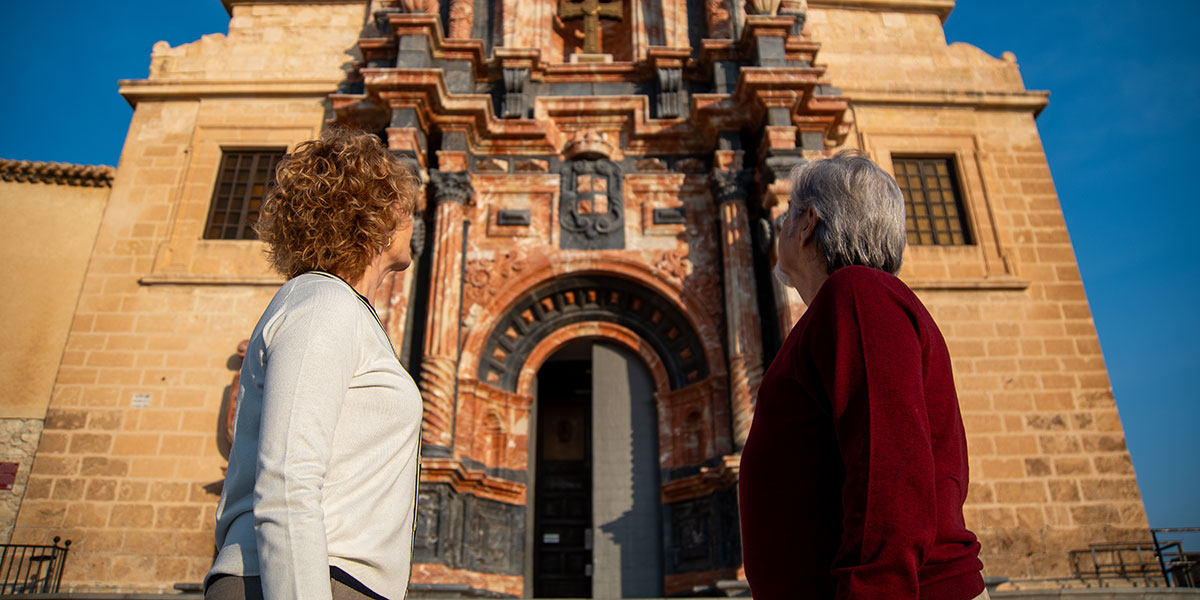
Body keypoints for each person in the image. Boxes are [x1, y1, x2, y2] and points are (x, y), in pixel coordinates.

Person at [739, 151, 987, 599]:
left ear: (808, 220)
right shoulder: (850, 304)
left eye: (787, 214)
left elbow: (889, 471)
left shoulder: (859, 294)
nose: (779, 228)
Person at [204, 128, 423, 600]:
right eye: (406, 208)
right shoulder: (323, 304)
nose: (413, 221)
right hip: (304, 577)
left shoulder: (342, 310)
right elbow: (287, 479)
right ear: (379, 217)